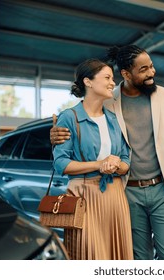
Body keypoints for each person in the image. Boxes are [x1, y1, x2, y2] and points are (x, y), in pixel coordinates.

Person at [51, 45, 164, 260]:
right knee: (137, 257)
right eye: (143, 69)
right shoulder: (108, 100)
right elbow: (85, 120)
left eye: (151, 67)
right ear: (126, 73)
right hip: (126, 191)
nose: (151, 72)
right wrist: (55, 134)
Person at [53, 58, 133, 260]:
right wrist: (100, 164)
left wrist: (117, 165)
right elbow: (61, 164)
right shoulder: (69, 117)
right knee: (88, 254)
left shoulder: (113, 119)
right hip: (84, 196)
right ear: (88, 81)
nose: (112, 82)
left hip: (115, 196)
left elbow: (125, 159)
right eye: (107, 77)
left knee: (117, 257)